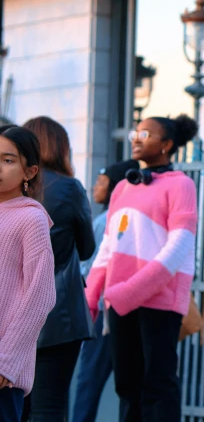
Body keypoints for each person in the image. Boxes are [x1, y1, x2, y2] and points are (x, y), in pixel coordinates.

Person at [85, 115, 198, 422]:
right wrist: (91, 296)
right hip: (119, 302)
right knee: (126, 387)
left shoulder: (182, 185)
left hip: (159, 302)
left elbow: (178, 248)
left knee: (157, 385)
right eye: (136, 132)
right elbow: (108, 247)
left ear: (166, 145)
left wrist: (127, 292)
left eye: (146, 134)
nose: (136, 138)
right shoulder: (122, 187)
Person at [21, 116, 96, 422]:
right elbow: (88, 247)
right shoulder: (68, 188)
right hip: (59, 316)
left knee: (16, 405)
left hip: (12, 309)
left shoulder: (12, 189)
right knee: (50, 405)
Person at [72, 159, 139, 422]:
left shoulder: (104, 221)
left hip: (102, 313)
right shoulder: (133, 217)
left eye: (101, 182)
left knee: (88, 384)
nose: (95, 187)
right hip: (128, 311)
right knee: (130, 387)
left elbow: (89, 269)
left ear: (113, 187)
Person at [0, 125, 56, 422]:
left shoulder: (30, 218)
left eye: (8, 160)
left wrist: (6, 363)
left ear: (30, 171)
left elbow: (40, 296)